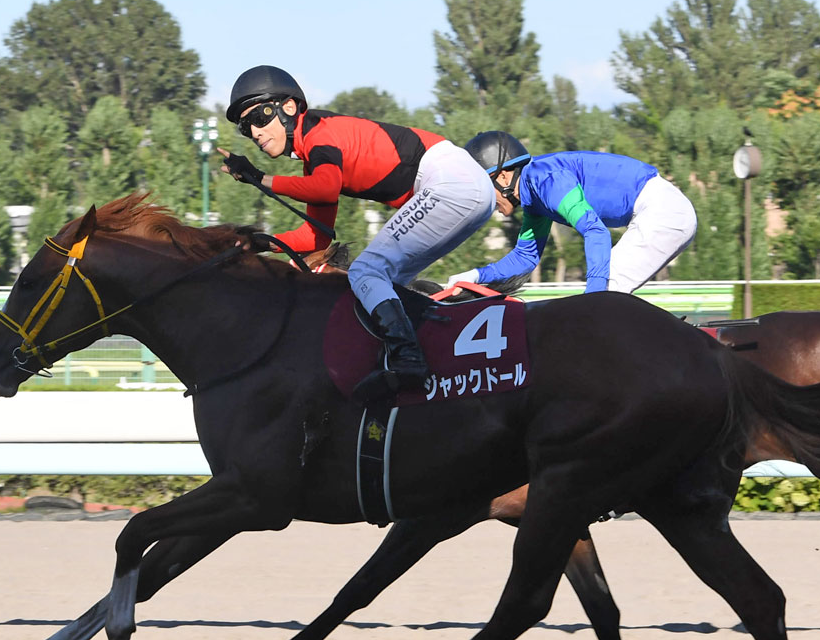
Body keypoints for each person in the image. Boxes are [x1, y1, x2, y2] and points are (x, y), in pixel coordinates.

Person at [221, 65, 494, 399]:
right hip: (461, 187)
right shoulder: (315, 154)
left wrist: (259, 177)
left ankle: (408, 361)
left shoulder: (321, 132)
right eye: (246, 128)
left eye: (260, 117)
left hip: (452, 181)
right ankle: (430, 357)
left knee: (366, 271)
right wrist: (257, 243)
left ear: (288, 107)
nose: (255, 132)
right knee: (383, 286)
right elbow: (315, 238)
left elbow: (324, 189)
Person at [448, 132, 697, 295]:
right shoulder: (534, 196)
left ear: (503, 176)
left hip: (664, 210)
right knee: (609, 296)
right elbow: (525, 259)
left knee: (606, 292)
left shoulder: (545, 180)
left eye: (485, 187)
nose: (488, 201)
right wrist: (475, 276)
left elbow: (596, 232)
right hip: (658, 211)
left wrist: (592, 300)